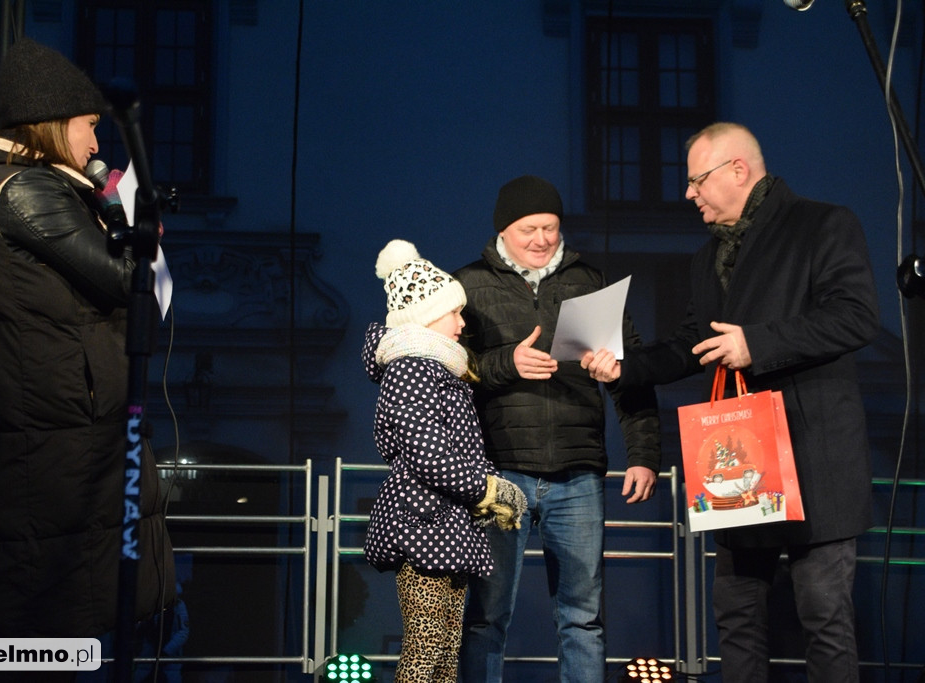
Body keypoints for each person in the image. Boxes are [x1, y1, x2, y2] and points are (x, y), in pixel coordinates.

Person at [583, 122, 879, 682]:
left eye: (696, 180)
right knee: (737, 618)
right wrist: (624, 370)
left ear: (737, 170)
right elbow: (691, 344)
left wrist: (757, 343)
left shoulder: (823, 224)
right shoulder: (708, 257)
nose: (688, 193)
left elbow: (857, 317)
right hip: (742, 465)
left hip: (815, 463)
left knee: (824, 617)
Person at [0, 38, 175, 678]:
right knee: (54, 616)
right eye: (87, 126)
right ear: (53, 125)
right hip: (55, 441)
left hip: (57, 430)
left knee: (62, 610)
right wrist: (127, 213)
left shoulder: (18, 187)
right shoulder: (27, 191)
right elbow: (123, 276)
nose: (95, 143)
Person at [454, 176, 662, 683]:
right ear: (504, 229)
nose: (542, 238)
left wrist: (643, 454)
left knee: (582, 617)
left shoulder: (589, 281)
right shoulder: (468, 285)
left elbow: (630, 373)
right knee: (486, 615)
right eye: (530, 229)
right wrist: (507, 362)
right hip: (499, 472)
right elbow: (452, 365)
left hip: (578, 472)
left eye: (550, 227)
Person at [362, 239, 527, 683]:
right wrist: (488, 489)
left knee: (445, 649)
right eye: (453, 312)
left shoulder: (437, 370)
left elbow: (453, 451)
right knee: (426, 646)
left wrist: (484, 493)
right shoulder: (411, 368)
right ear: (425, 316)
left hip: (444, 526)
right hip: (423, 524)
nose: (461, 322)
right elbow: (429, 453)